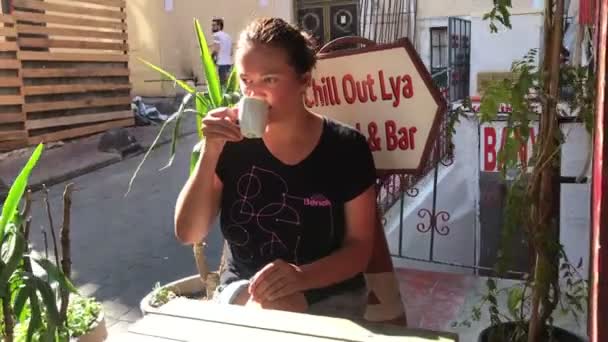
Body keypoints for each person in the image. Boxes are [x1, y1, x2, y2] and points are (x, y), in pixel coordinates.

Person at [174, 17, 377, 318]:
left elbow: (359, 249)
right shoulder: (230, 145)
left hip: (326, 290)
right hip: (243, 288)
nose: (253, 94)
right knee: (269, 307)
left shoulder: (346, 148)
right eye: (246, 81)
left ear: (304, 79)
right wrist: (210, 150)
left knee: (280, 308)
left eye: (269, 80)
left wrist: (301, 278)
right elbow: (189, 232)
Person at [211, 17, 233, 85]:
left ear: (219, 26)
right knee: (228, 85)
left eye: (214, 25)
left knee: (222, 85)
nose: (212, 27)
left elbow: (216, 49)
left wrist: (211, 59)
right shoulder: (228, 36)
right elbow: (231, 52)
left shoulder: (216, 35)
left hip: (221, 64)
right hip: (229, 64)